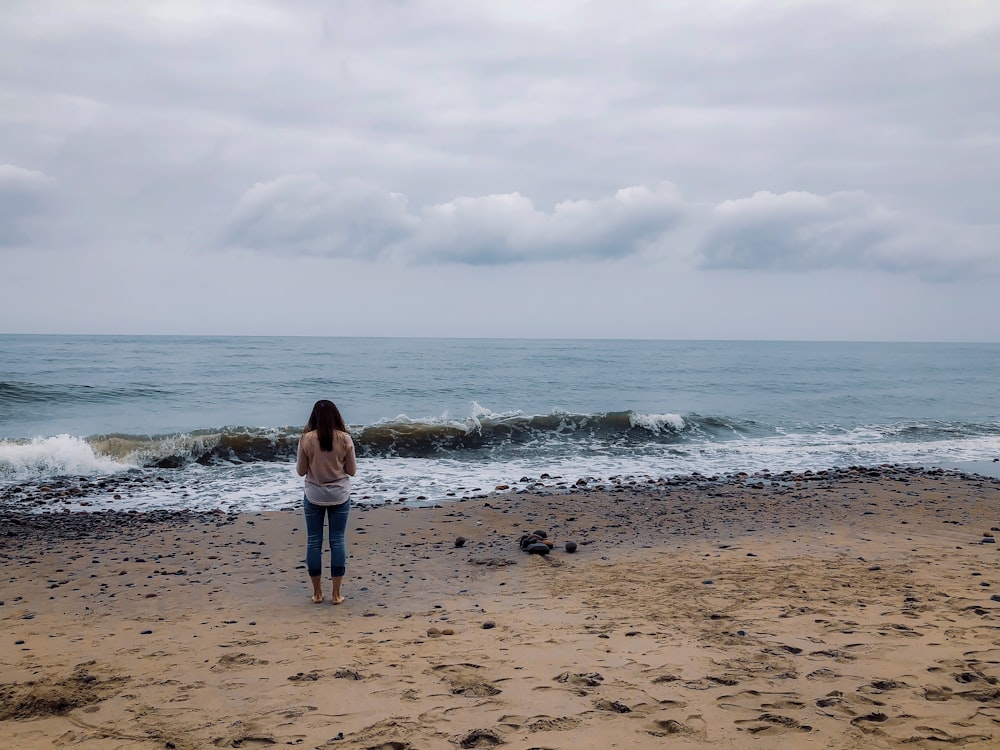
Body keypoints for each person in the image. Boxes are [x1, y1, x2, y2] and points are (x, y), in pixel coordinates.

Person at [296, 399, 357, 604]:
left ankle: (317, 593)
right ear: (336, 416)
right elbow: (352, 471)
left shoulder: (306, 439)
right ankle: (336, 594)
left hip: (314, 494)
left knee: (314, 541)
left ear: (313, 416)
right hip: (339, 494)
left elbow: (301, 471)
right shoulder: (345, 439)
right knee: (337, 540)